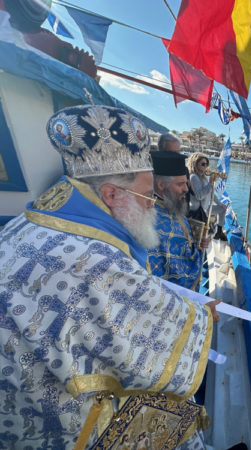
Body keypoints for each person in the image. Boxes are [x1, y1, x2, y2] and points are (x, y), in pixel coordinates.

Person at [0, 105, 219, 449]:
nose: (152, 205)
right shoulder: (96, 260)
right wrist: (204, 317)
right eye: (148, 195)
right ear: (111, 195)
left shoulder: (38, 214)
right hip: (61, 422)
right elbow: (149, 341)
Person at [148, 151, 209, 291]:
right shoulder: (149, 220)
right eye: (180, 184)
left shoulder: (172, 204)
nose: (186, 190)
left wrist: (196, 244)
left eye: (186, 184)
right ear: (161, 184)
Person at [186, 152, 228, 240]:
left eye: (206, 164)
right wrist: (210, 183)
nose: (205, 166)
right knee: (201, 238)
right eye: (203, 164)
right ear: (195, 164)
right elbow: (199, 196)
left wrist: (220, 204)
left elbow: (211, 193)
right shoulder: (194, 177)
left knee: (223, 209)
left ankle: (219, 232)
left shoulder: (203, 177)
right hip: (198, 211)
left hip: (205, 209)